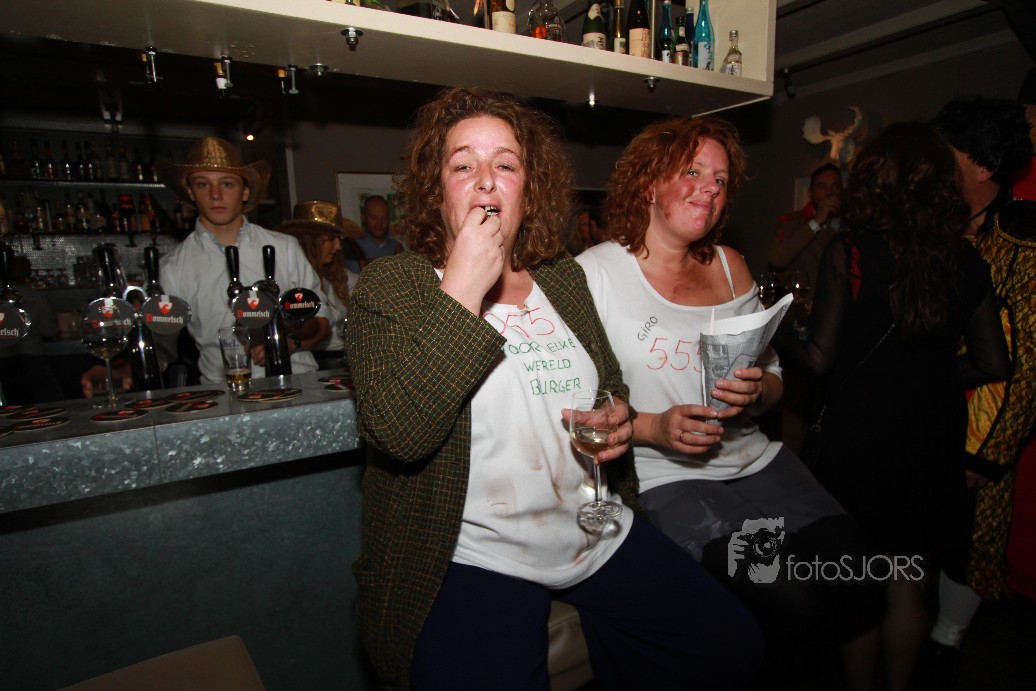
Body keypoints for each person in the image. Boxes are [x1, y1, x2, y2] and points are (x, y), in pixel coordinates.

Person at [344, 87, 762, 691]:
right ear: (437, 191)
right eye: (463, 165)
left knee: (731, 644)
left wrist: (615, 416)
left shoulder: (560, 275)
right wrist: (463, 287)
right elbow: (399, 435)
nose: (486, 180)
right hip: (475, 552)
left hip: (590, 528)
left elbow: (607, 383)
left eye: (506, 165)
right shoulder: (393, 286)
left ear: (528, 189)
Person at [575, 116, 881, 665]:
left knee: (860, 574)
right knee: (784, 598)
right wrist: (654, 427)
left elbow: (772, 373)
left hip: (753, 458)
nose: (710, 189)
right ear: (649, 183)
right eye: (693, 172)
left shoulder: (730, 265)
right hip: (666, 475)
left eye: (720, 179)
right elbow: (567, 401)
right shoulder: (595, 274)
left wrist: (758, 391)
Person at [793, 122, 1009, 691]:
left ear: (876, 178)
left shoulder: (852, 251)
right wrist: (933, 377)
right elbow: (993, 361)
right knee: (908, 577)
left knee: (859, 581)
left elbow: (819, 358)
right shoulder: (964, 259)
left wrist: (773, 335)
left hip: (862, 437)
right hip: (931, 437)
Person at [913, 96, 1036, 686]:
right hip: (921, 417)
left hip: (978, 429)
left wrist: (983, 455)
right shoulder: (932, 230)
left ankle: (946, 645)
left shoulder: (1025, 242)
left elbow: (1026, 366)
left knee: (967, 548)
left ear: (984, 166)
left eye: (948, 153)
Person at [83, 137, 330, 393]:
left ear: (245, 191)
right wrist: (120, 369)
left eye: (227, 184)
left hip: (298, 388)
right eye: (203, 184)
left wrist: (290, 341)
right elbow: (159, 346)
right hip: (226, 395)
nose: (215, 195)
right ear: (190, 192)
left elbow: (321, 321)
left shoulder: (284, 247)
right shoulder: (173, 267)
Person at [274, 200, 362, 369]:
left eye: (339, 239)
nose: (338, 246)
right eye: (331, 239)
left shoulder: (339, 276)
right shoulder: (290, 281)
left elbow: (364, 286)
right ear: (311, 241)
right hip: (307, 364)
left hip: (342, 362)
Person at [768, 162, 843, 300]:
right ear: (810, 193)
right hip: (805, 304)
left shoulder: (851, 224)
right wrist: (817, 221)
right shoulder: (794, 223)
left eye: (835, 186)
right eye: (822, 187)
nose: (830, 193)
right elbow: (776, 259)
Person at [342, 194, 402, 273]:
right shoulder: (349, 245)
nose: (379, 223)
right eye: (374, 218)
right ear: (363, 218)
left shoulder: (397, 247)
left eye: (384, 218)